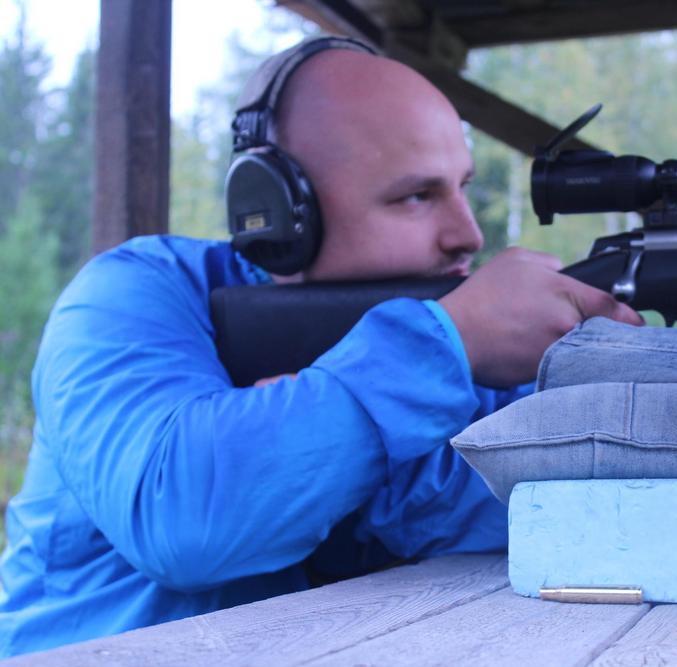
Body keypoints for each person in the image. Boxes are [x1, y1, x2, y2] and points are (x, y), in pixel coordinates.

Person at [0, 37, 642, 657]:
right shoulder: (131, 294)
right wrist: (451, 342)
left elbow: (540, 503)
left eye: (463, 187)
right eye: (417, 196)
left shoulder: (437, 341)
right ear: (280, 212)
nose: (467, 234)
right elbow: (182, 519)